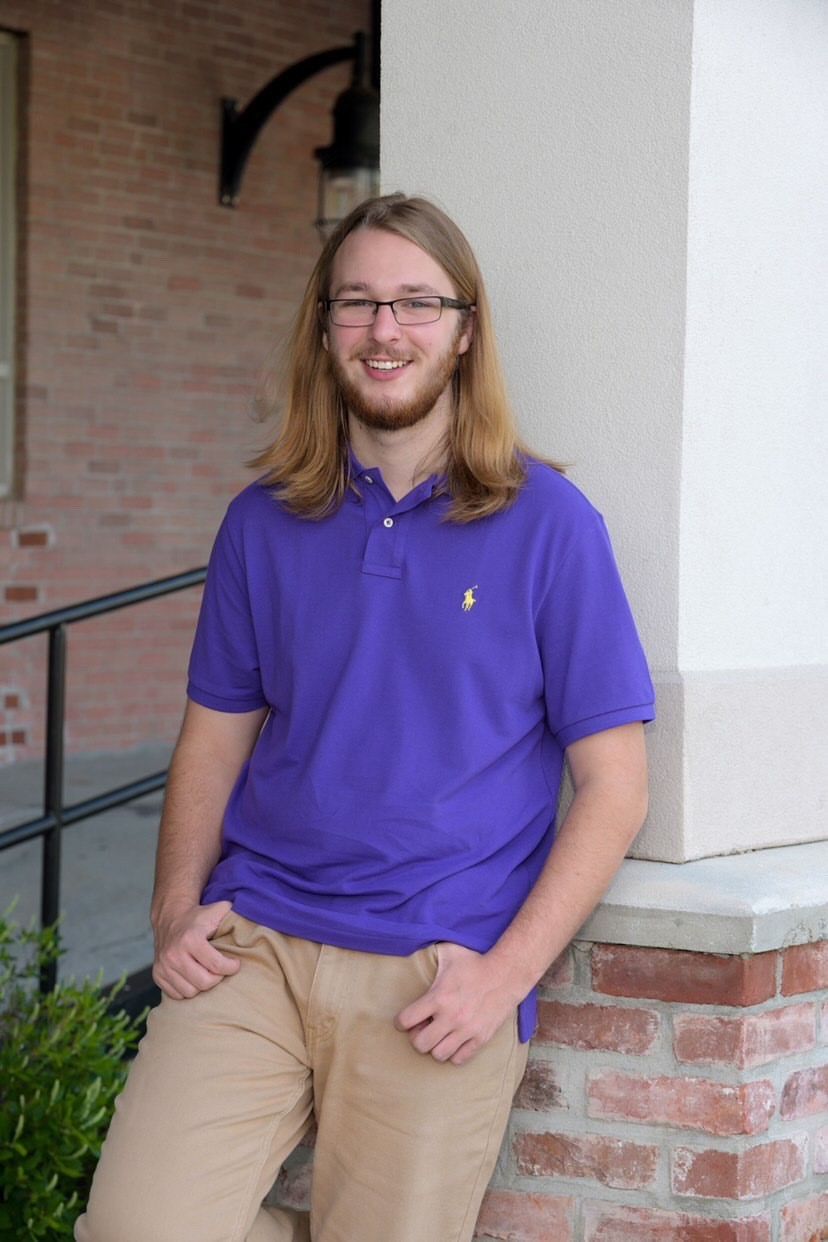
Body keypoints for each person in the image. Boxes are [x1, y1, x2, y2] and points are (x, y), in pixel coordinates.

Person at [76, 193, 654, 1242]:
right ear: (326, 327)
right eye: (357, 304)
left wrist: (505, 977)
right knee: (133, 1227)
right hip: (254, 944)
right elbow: (213, 736)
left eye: (414, 304)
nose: (384, 331)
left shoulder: (550, 526)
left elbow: (617, 785)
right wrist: (172, 907)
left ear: (464, 330)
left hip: (433, 974)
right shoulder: (263, 521)